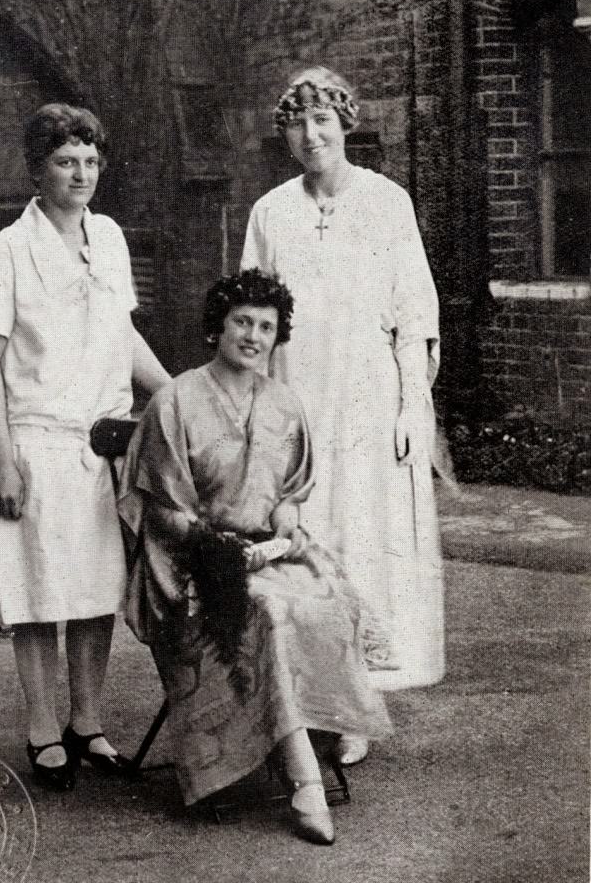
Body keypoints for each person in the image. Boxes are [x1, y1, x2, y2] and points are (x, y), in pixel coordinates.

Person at [118, 269, 392, 845]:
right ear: (217, 328)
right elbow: (163, 511)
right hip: (194, 561)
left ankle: (322, 722)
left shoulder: (285, 405)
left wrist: (284, 529)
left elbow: (290, 494)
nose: (254, 335)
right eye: (242, 321)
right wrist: (219, 550)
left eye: (266, 326)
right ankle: (304, 781)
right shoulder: (176, 401)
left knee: (329, 592)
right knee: (267, 611)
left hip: (268, 553)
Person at [241, 66, 443, 767]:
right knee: (307, 549)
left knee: (364, 544)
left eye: (323, 118)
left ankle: (357, 705)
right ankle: (305, 705)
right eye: (297, 122)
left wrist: (413, 405)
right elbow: (253, 323)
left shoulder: (386, 204)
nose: (311, 134)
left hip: (367, 402)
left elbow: (413, 312)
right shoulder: (271, 213)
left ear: (345, 122)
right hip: (299, 401)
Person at [0, 103, 171, 790]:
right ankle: (42, 727)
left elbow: (123, 335)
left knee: (92, 593)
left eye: (90, 162)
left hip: (104, 444)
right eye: (65, 162)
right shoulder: (5, 253)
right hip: (35, 443)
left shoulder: (109, 238)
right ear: (37, 168)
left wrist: (174, 396)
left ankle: (88, 720)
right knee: (36, 596)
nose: (81, 174)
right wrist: (1, 460)